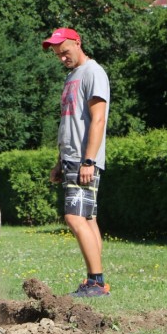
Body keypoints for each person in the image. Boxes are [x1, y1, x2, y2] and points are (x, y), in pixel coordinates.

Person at [43, 27, 111, 298]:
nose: (61, 58)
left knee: (73, 217)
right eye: (58, 55)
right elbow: (70, 123)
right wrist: (61, 161)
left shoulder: (93, 72)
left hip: (84, 159)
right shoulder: (73, 76)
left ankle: (96, 283)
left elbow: (98, 119)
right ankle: (96, 280)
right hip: (72, 158)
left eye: (65, 52)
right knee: (88, 218)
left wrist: (88, 160)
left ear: (78, 42)